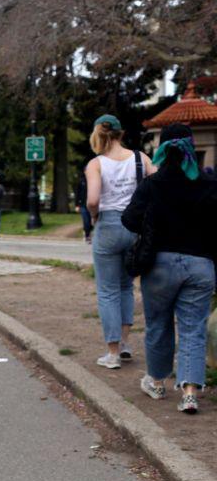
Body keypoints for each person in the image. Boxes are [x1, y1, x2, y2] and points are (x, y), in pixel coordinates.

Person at [121, 123, 217, 414]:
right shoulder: (209, 182)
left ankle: (158, 382)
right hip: (200, 265)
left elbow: (129, 219)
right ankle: (189, 392)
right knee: (193, 329)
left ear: (161, 147)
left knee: (158, 325)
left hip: (159, 264)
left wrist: (152, 225)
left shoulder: (153, 184)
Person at [85, 114, 155, 369]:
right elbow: (156, 184)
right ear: (120, 133)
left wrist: (94, 217)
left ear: (98, 134)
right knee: (126, 287)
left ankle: (112, 353)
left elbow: (93, 200)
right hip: (134, 226)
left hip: (109, 225)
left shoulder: (96, 164)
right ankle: (125, 344)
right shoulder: (141, 158)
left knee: (107, 290)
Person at [75, 169, 92, 244]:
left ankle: (89, 232)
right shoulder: (81, 181)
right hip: (83, 205)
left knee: (92, 222)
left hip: (91, 205)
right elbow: (77, 194)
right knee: (86, 221)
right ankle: (87, 235)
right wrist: (77, 205)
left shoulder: (93, 180)